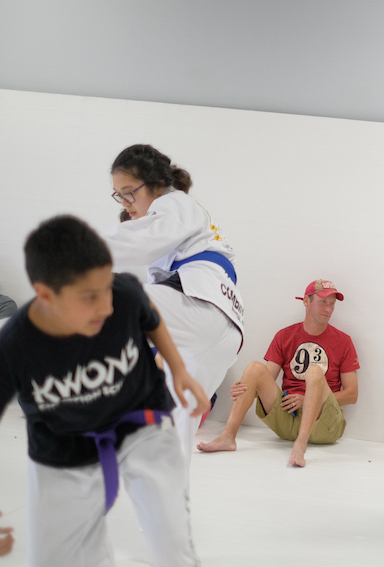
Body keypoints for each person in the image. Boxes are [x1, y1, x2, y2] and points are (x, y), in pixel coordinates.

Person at [0, 215, 208, 566]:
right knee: (53, 560)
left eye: (106, 289)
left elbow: (150, 316)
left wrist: (179, 369)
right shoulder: (15, 345)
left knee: (171, 541)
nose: (106, 306)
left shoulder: (123, 294)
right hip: (63, 445)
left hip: (140, 420)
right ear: (45, 295)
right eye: (89, 297)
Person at [103, 144, 244, 460]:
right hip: (224, 332)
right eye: (118, 196)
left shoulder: (174, 201)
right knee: (170, 442)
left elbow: (144, 240)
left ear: (156, 183)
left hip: (199, 305)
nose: (125, 203)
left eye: (129, 192)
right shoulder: (183, 237)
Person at [198, 280, 359, 467]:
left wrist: (308, 399)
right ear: (306, 301)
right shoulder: (285, 335)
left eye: (332, 304)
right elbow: (263, 380)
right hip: (288, 421)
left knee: (314, 371)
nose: (329, 309)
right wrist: (244, 389)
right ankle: (227, 437)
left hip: (324, 424)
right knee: (254, 368)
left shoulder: (343, 341)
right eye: (323, 302)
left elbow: (352, 394)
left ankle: (300, 446)